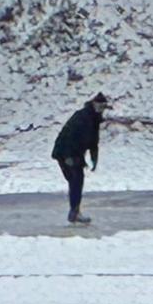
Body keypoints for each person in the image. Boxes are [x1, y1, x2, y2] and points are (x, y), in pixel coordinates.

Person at [51, 92, 109, 224]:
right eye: (99, 105)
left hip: (74, 154)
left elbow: (93, 142)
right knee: (76, 180)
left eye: (103, 106)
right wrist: (68, 157)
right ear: (93, 104)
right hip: (66, 152)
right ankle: (74, 212)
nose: (101, 109)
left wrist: (94, 159)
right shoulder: (82, 117)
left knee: (76, 181)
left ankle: (75, 211)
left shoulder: (94, 119)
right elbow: (68, 136)